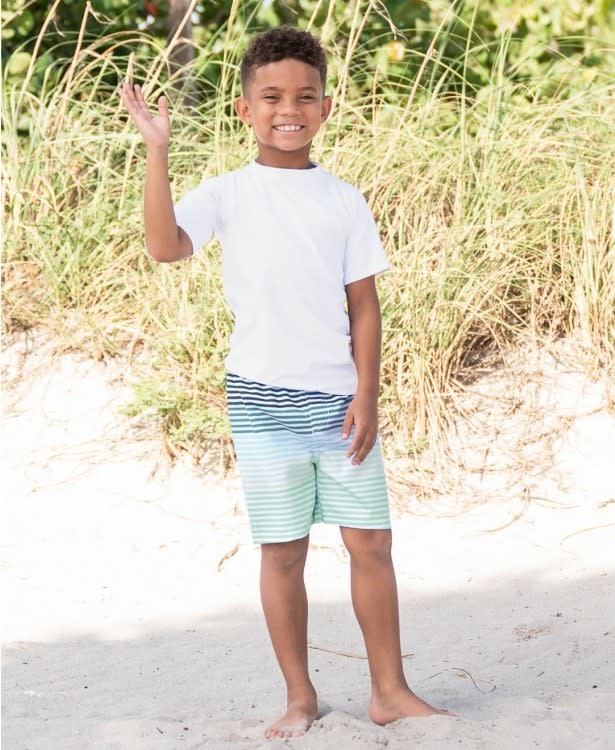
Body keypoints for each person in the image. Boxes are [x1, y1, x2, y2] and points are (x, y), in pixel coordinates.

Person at [121, 25, 446, 740]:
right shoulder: (229, 193)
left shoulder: (343, 200)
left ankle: (389, 691)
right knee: (284, 551)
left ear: (325, 109)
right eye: (270, 97)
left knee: (371, 544)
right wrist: (157, 150)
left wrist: (367, 395)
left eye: (303, 96)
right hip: (261, 402)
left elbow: (364, 304)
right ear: (245, 110)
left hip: (338, 403)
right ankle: (299, 695)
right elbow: (163, 246)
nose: (287, 109)